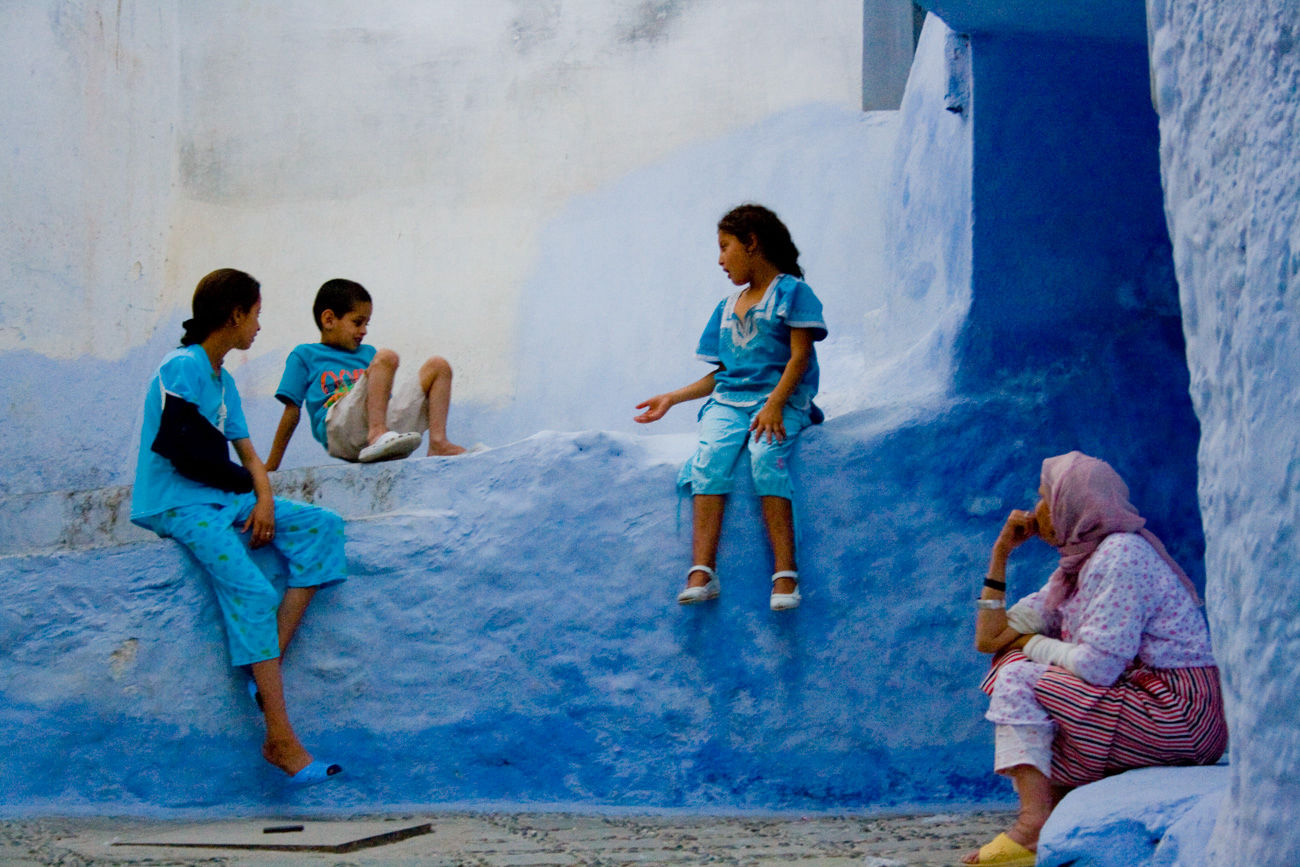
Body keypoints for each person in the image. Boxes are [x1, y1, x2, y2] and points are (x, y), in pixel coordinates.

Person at [131, 268, 347, 786]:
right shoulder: (180, 366)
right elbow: (187, 452)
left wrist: (265, 499)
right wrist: (248, 493)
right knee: (251, 592)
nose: (258, 326)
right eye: (255, 314)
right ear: (234, 314)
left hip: (221, 498)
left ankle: (262, 667)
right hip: (179, 502)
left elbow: (248, 454)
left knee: (323, 528)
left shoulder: (222, 379)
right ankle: (280, 739)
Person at [962, 451, 1227, 866]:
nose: (1035, 510)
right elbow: (990, 639)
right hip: (1147, 703)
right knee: (1011, 668)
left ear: (1072, 503)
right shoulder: (1073, 571)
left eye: (1044, 496)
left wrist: (1028, 645)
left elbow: (1098, 667)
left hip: (1181, 711)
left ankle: (1033, 828)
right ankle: (1053, 813)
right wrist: (1001, 554)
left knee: (1018, 678)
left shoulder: (1120, 555)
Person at [635, 204, 827, 611]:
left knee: (764, 455)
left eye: (725, 247)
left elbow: (799, 357)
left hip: (780, 401)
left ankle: (785, 571)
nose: (720, 260)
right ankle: (702, 570)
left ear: (752, 243)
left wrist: (775, 405)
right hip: (729, 403)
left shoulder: (791, 292)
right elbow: (721, 374)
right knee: (709, 459)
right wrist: (672, 398)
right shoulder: (726, 308)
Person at [265, 278, 466, 469]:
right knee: (387, 356)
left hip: (377, 427)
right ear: (329, 320)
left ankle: (438, 443)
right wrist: (271, 466)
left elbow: (382, 401)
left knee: (438, 366)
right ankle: (377, 434)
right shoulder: (305, 355)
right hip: (338, 429)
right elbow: (291, 411)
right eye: (357, 322)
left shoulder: (368, 354)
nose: (364, 330)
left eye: (366, 324)